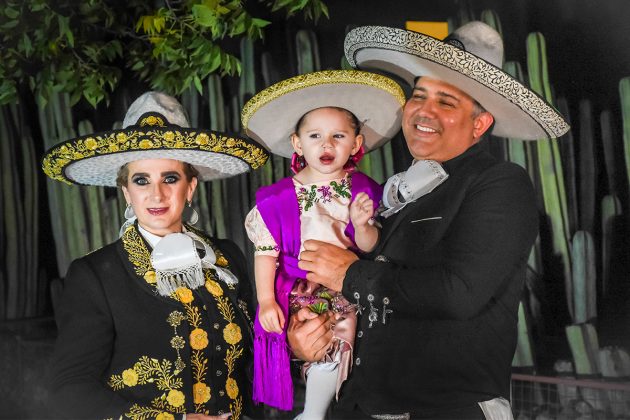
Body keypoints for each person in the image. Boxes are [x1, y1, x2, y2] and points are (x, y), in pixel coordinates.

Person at [287, 22, 570, 419]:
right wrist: (311, 342)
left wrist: (349, 275)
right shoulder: (392, 193)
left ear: (480, 124)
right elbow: (365, 308)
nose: (424, 110)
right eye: (419, 95)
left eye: (447, 102)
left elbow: (459, 293)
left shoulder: (499, 183)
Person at [43, 91, 269, 419]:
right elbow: (69, 389)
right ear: (126, 192)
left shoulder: (227, 258)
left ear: (190, 186)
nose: (156, 193)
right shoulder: (95, 275)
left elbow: (251, 361)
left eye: (170, 178)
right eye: (141, 180)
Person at [240, 70, 405, 418]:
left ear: (356, 144)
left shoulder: (364, 189)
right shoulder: (277, 198)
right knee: (319, 334)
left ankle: (323, 409)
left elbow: (371, 244)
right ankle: (312, 411)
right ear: (297, 144)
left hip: (348, 284)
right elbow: (265, 253)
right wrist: (267, 300)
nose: (326, 145)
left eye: (338, 136)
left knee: (343, 335)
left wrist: (362, 225)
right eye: (315, 136)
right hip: (300, 285)